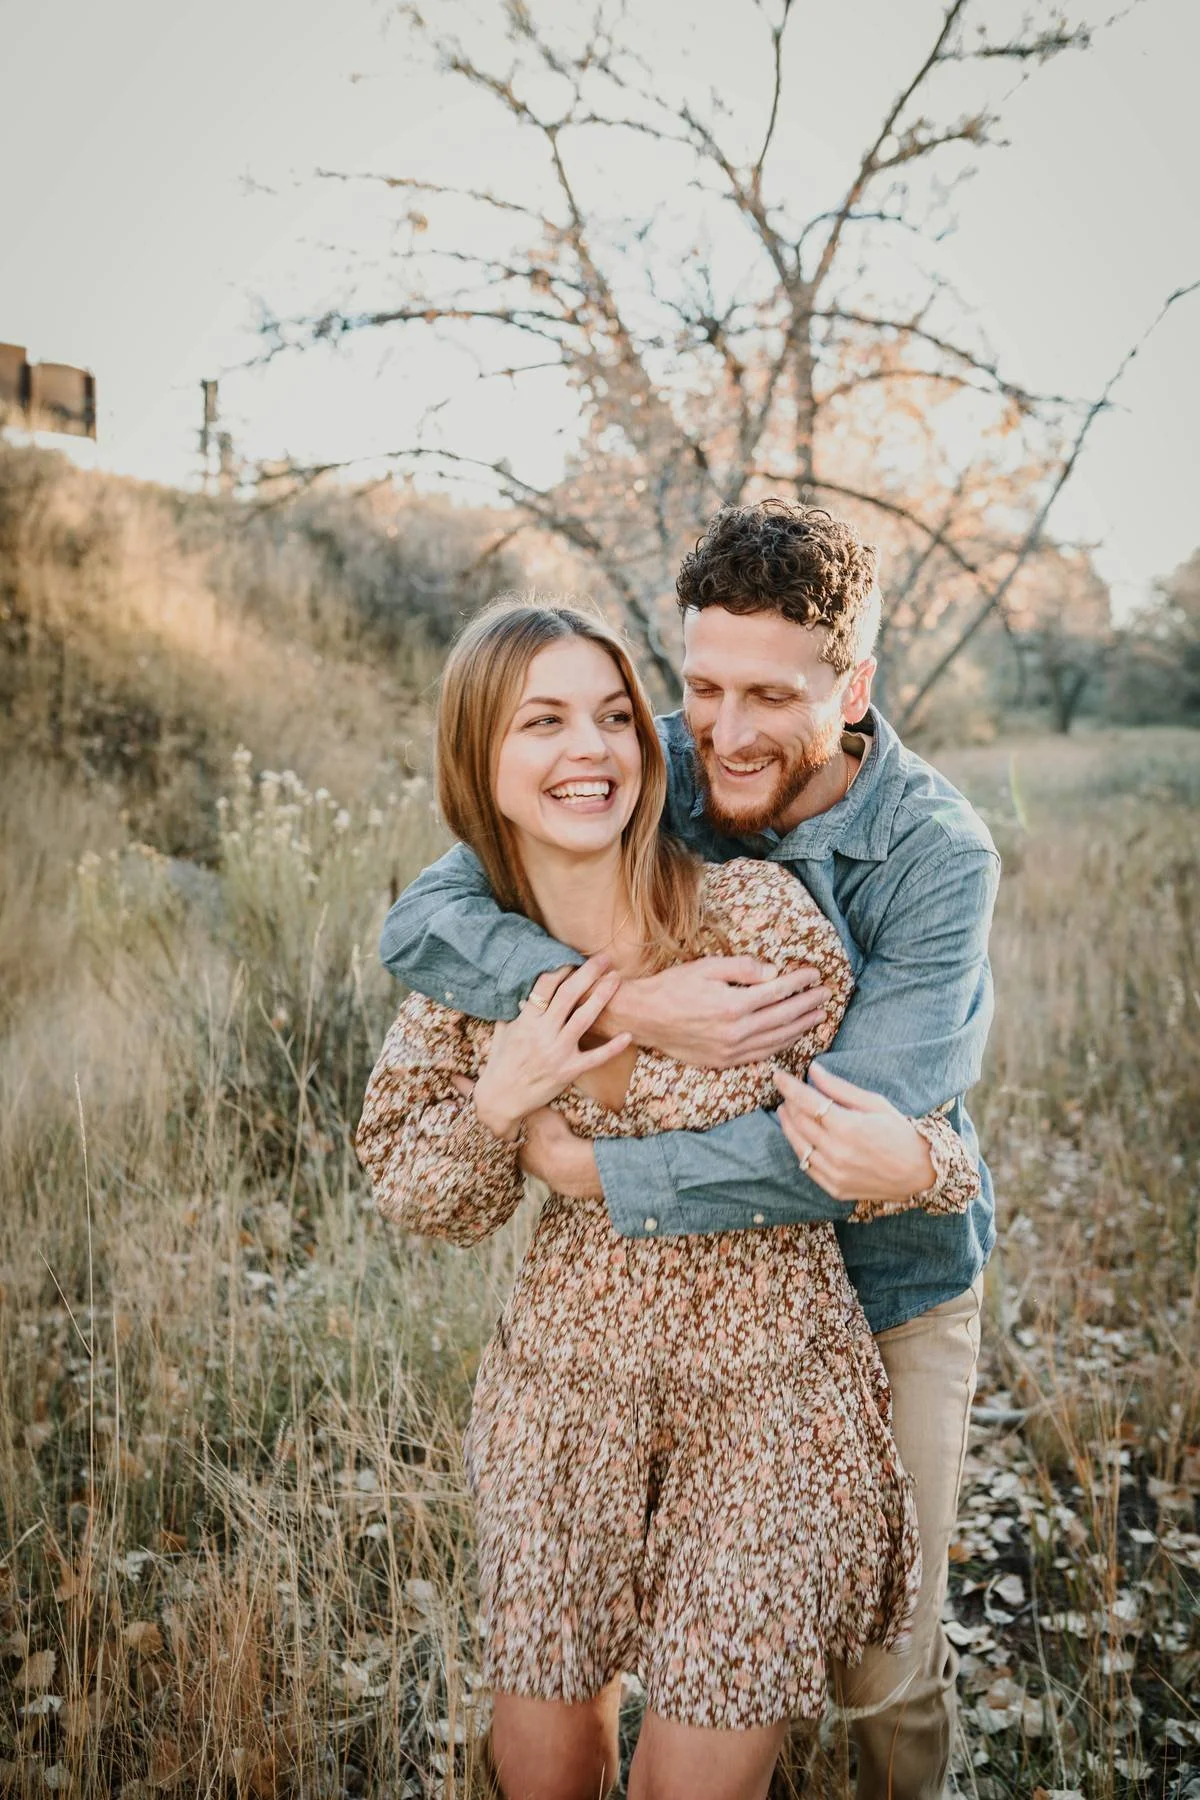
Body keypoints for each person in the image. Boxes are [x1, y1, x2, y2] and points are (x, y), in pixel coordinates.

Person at [377, 503, 1001, 1800]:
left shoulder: (933, 856)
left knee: (882, 1664)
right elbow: (435, 911)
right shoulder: (641, 754)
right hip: (604, 1355)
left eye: (769, 696)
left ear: (854, 688)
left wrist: (597, 1175)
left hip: (875, 1280)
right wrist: (619, 1001)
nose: (722, 731)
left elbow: (853, 1141)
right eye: (701, 687)